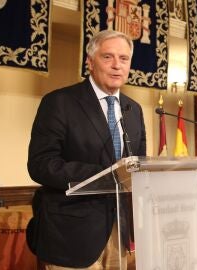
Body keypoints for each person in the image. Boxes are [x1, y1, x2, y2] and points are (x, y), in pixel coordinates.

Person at [26, 30, 146, 269]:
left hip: (119, 233)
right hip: (72, 234)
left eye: (124, 59)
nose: (116, 66)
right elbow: (40, 164)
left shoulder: (134, 109)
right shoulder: (60, 102)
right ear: (90, 62)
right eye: (107, 57)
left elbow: (137, 167)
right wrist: (105, 174)